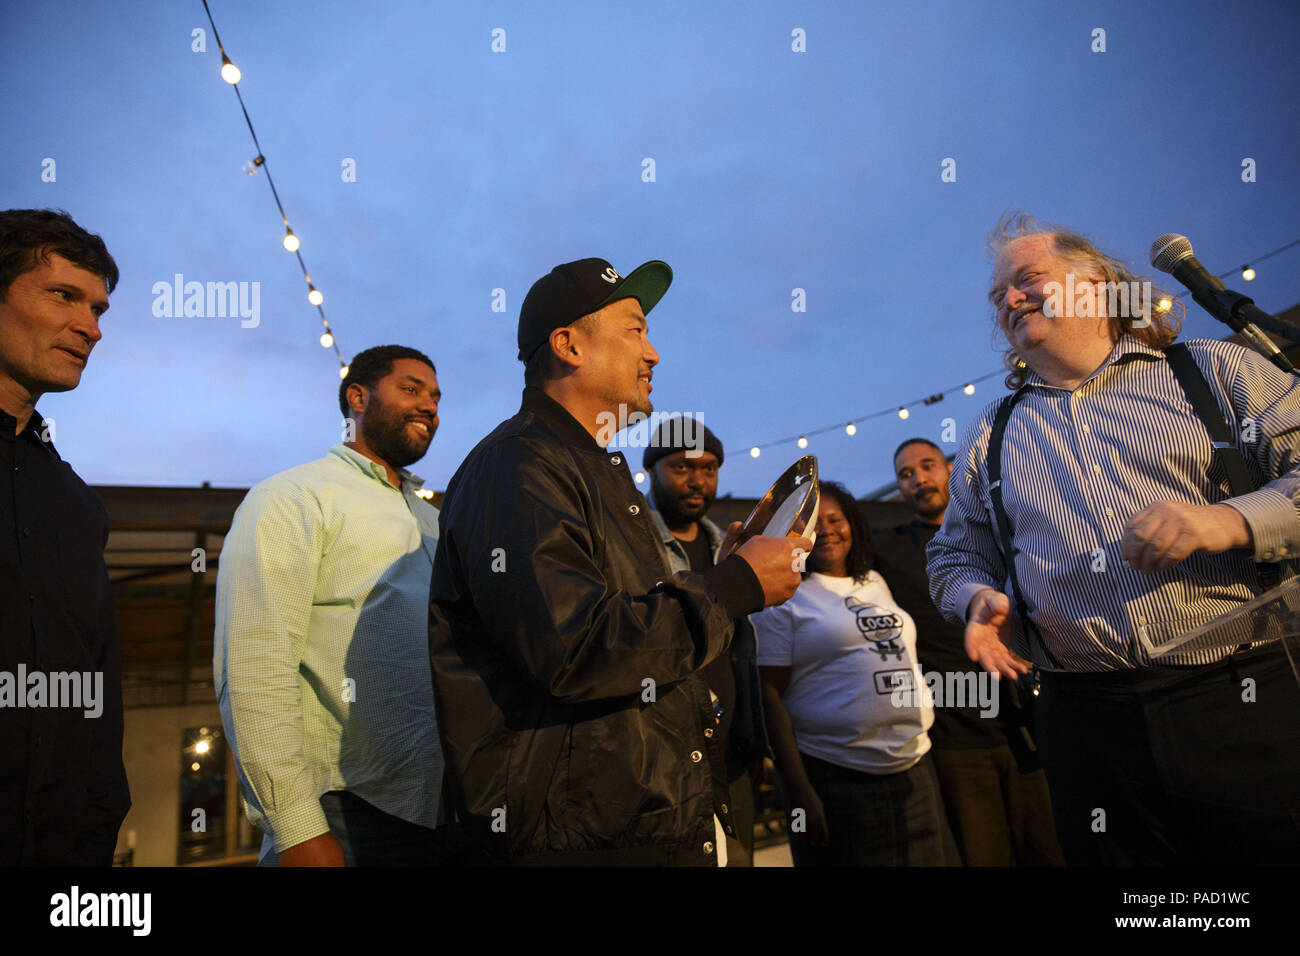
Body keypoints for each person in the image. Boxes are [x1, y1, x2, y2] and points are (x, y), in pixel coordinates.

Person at [927, 212, 1300, 866]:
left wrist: (1232, 519)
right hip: (1085, 725)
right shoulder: (990, 435)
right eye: (998, 296)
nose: (1007, 300)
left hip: (1242, 696)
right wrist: (973, 597)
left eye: (1026, 281)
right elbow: (954, 554)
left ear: (1095, 284)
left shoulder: (1214, 373)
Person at [428, 257, 807, 866]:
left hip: (649, 824)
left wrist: (720, 578)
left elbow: (632, 629)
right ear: (568, 345)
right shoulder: (518, 467)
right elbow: (577, 648)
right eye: (635, 329)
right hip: (578, 841)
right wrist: (734, 587)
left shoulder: (595, 472)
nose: (653, 353)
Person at [215, 345, 446, 866]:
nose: (430, 406)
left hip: (441, 812)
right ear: (357, 397)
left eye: (436, 397)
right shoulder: (292, 497)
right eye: (411, 389)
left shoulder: (433, 520)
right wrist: (296, 827)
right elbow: (254, 665)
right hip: (343, 812)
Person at [0, 208, 130, 865]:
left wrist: (96, 833)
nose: (91, 328)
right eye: (63, 296)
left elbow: (96, 690)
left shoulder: (76, 508)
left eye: (99, 310)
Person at [875, 437, 1062, 866]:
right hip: (955, 738)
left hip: (1029, 724)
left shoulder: (1001, 533)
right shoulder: (887, 548)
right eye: (906, 474)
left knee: (1052, 848)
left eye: (927, 466)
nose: (919, 479)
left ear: (950, 468)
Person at [755, 480, 958, 866]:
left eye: (836, 518)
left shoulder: (875, 581)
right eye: (814, 523)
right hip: (838, 773)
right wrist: (798, 788)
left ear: (854, 524)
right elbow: (769, 696)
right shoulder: (784, 595)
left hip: (915, 764)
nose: (827, 529)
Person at [642, 416, 769, 866]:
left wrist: (754, 743)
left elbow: (742, 655)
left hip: (732, 762)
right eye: (682, 467)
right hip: (666, 770)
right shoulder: (630, 547)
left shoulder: (727, 547)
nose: (698, 481)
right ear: (650, 471)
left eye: (709, 468)